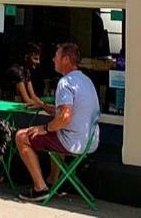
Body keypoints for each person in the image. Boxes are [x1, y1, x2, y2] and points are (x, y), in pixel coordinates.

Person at [15, 42, 100, 201]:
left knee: (21, 136)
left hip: (72, 141)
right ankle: (53, 181)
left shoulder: (65, 82)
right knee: (57, 130)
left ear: (66, 59)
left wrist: (45, 128)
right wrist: (43, 106)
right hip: (90, 141)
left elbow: (65, 116)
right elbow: (68, 111)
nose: (53, 59)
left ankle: (40, 188)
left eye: (56, 56)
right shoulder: (86, 81)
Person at [3, 43, 48, 110]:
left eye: (38, 59)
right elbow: (27, 100)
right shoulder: (16, 71)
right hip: (7, 108)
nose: (38, 62)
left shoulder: (26, 71)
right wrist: (44, 107)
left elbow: (33, 97)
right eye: (35, 59)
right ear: (26, 57)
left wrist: (45, 105)